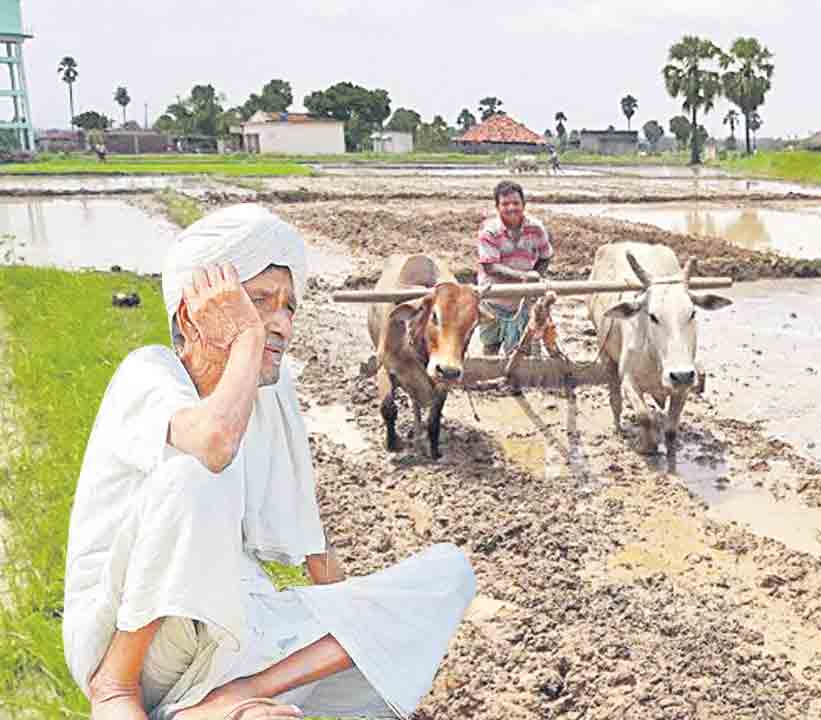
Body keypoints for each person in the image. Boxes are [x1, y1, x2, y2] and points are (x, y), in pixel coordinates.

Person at [63, 204, 476, 720]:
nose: (280, 323)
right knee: (198, 476)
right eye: (258, 302)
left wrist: (358, 620)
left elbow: (309, 544)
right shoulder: (150, 372)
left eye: (289, 308)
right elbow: (213, 442)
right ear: (195, 311)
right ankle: (116, 690)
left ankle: (232, 701)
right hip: (149, 644)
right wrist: (248, 340)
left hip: (240, 622)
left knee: (449, 574)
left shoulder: (273, 391)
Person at [476, 180, 554, 355]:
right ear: (497, 207)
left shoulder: (536, 228)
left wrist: (536, 277)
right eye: (505, 204)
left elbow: (545, 256)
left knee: (523, 349)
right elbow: (490, 266)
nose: (511, 208)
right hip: (493, 299)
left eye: (516, 203)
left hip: (523, 300)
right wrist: (523, 277)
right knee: (491, 346)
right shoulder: (489, 232)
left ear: (523, 205)